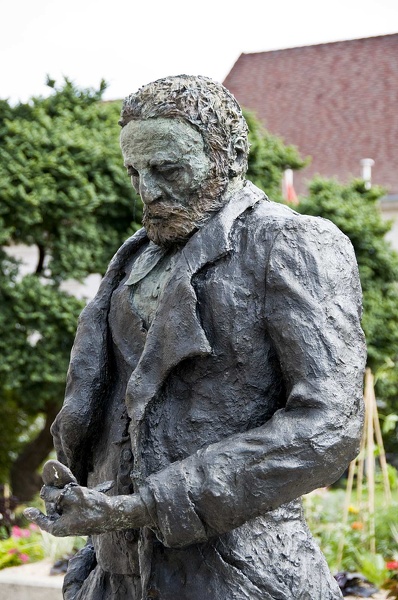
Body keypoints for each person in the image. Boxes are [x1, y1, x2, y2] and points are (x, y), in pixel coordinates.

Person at [25, 75, 366, 600]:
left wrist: (149, 505)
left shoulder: (291, 243)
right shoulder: (133, 257)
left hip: (237, 574)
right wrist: (88, 519)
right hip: (114, 577)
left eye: (168, 170)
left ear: (228, 157)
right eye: (135, 173)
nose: (148, 192)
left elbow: (328, 425)